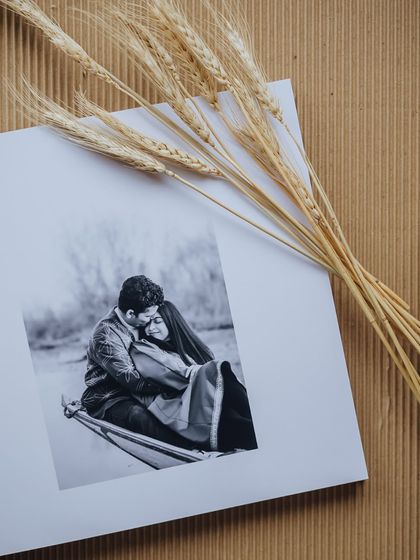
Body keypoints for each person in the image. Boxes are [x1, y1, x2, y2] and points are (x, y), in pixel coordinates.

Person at [128, 301, 258, 452]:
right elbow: (172, 374)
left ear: (171, 321)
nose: (150, 329)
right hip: (181, 414)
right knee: (219, 373)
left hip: (205, 406)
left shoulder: (187, 350)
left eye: (157, 321)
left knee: (248, 425)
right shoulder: (142, 348)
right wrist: (208, 372)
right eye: (146, 324)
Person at [81, 276, 193, 449]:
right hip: (111, 398)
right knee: (139, 416)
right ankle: (191, 450)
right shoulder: (105, 334)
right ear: (131, 313)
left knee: (183, 404)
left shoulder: (139, 320)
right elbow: (132, 380)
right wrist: (179, 382)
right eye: (148, 316)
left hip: (144, 388)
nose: (151, 321)